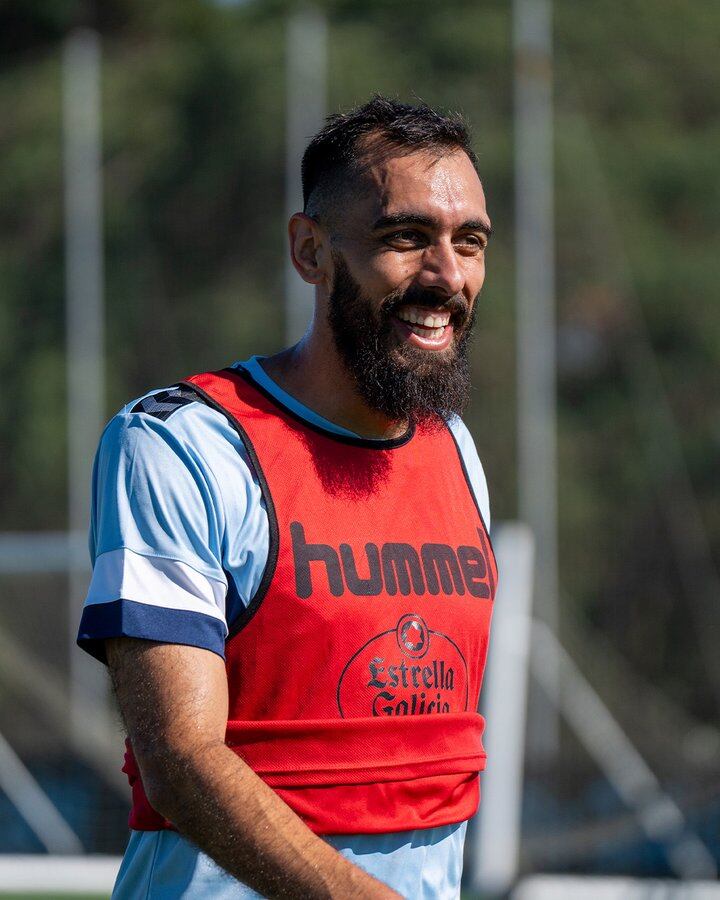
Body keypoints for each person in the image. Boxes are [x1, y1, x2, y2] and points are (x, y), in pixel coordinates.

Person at [78, 95, 497, 899]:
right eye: (405, 237)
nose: (446, 276)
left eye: (468, 242)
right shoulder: (182, 444)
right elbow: (179, 761)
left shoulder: (456, 449)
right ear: (310, 251)